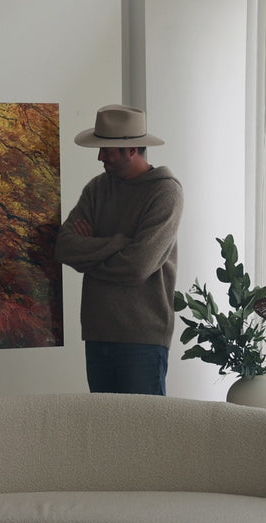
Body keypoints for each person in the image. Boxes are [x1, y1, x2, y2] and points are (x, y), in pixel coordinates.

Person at [55, 104, 183, 395]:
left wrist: (90, 254)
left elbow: (138, 266)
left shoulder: (165, 192)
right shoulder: (97, 189)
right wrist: (117, 242)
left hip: (143, 336)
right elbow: (64, 247)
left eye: (108, 149)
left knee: (143, 433)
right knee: (104, 431)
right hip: (98, 331)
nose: (100, 156)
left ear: (133, 149)